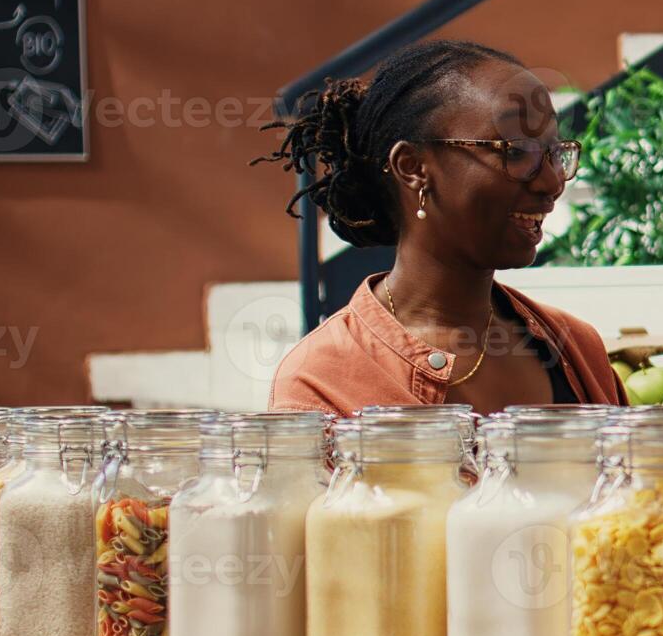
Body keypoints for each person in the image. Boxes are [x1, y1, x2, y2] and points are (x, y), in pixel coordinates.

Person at [258, 40, 625, 416]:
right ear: (413, 167)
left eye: (555, 154)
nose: (552, 183)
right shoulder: (324, 379)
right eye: (516, 151)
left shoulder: (575, 346)